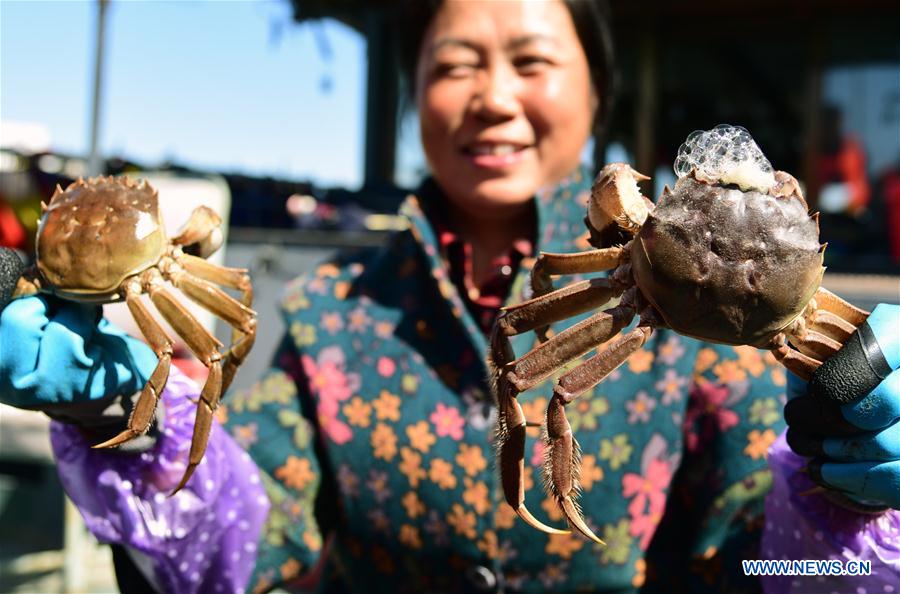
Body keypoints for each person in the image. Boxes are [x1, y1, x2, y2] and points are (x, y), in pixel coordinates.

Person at [1, 1, 898, 593]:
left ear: (597, 90)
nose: (493, 98)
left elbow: (762, 566)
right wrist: (130, 411)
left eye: (533, 61)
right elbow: (253, 552)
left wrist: (851, 510)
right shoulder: (329, 310)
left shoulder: (690, 327)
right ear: (416, 93)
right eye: (457, 63)